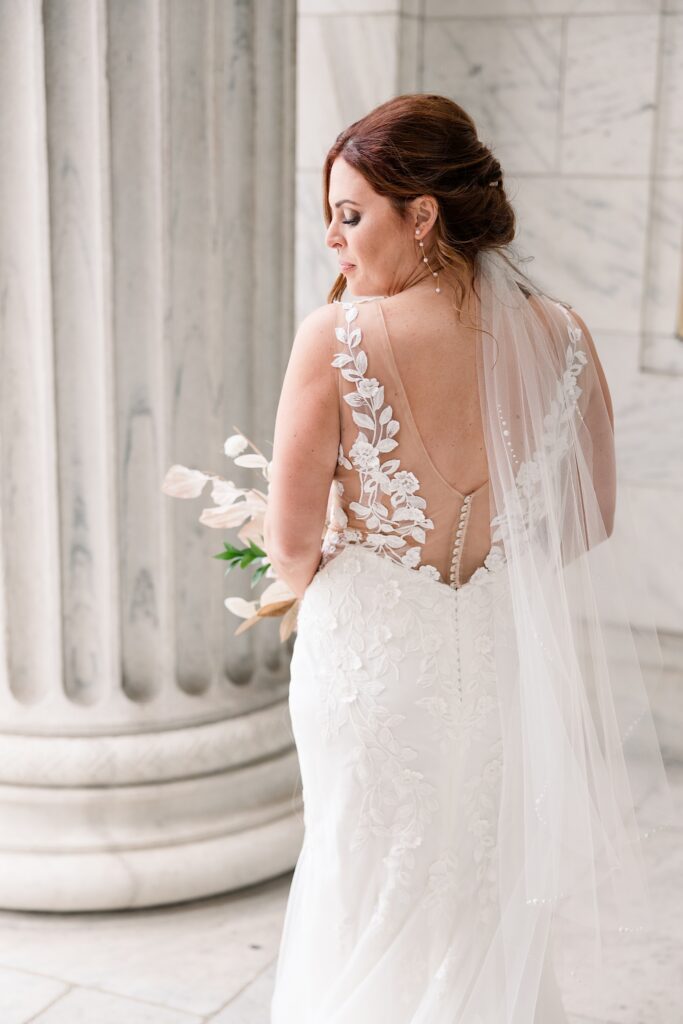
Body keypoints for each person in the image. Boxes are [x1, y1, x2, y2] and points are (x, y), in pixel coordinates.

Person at [264, 94, 673, 1023]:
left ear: (422, 215)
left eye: (349, 213)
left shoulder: (333, 340)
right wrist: (490, 571)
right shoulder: (563, 335)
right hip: (495, 660)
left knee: (361, 882)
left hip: (368, 668)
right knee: (474, 886)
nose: (332, 239)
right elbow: (592, 515)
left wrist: (340, 568)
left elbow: (289, 549)